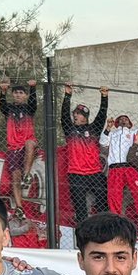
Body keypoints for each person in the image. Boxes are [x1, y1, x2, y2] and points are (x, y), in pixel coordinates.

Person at [57, 85, 109, 232]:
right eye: (74, 113)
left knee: (103, 204)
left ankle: (103, 231)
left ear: (85, 117)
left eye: (78, 114)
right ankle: (83, 235)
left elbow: (102, 115)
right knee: (80, 208)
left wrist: (104, 97)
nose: (75, 116)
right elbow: (64, 115)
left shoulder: (94, 129)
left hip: (95, 173)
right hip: (76, 174)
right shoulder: (70, 130)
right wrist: (67, 95)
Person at [102, 97, 138, 225]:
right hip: (114, 168)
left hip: (130, 167)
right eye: (120, 119)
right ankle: (115, 222)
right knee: (114, 197)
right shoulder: (112, 134)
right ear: (116, 123)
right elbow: (103, 142)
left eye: (126, 119)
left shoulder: (134, 133)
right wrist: (108, 128)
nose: (123, 120)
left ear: (130, 124)